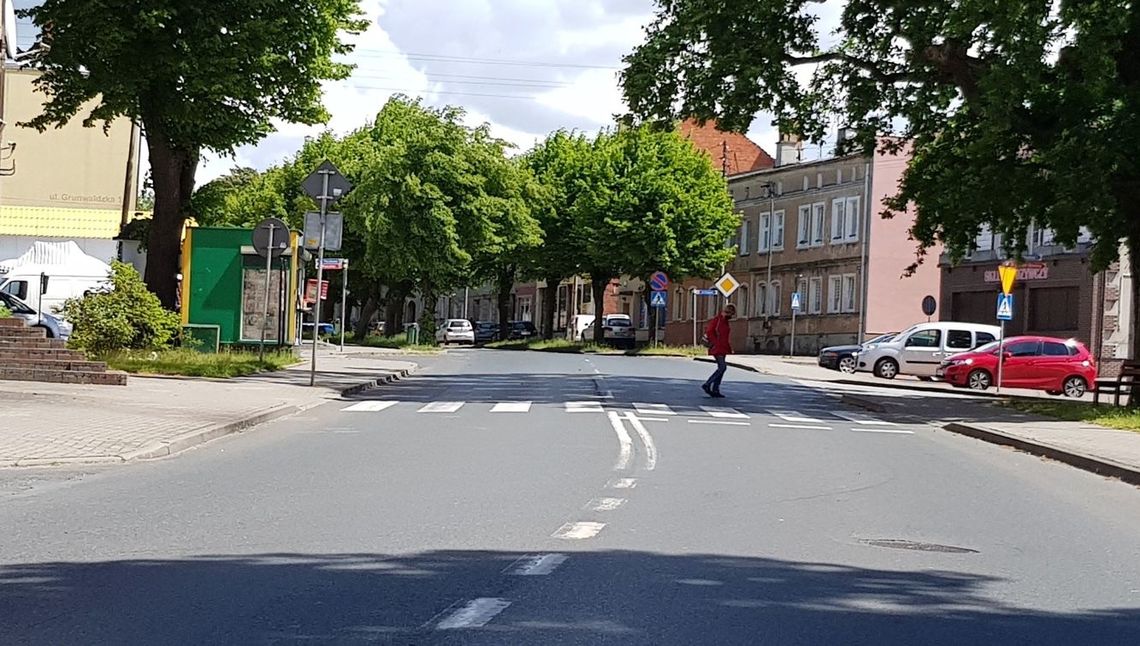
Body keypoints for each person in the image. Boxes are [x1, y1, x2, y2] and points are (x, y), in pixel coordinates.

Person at [702, 302, 735, 398]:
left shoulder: (725, 321)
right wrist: (715, 343)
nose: (731, 316)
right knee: (722, 367)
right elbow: (709, 331)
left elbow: (725, 336)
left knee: (721, 368)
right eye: (731, 314)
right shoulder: (718, 320)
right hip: (717, 348)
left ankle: (716, 389)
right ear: (727, 312)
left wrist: (728, 347)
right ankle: (707, 384)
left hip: (723, 348)